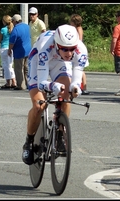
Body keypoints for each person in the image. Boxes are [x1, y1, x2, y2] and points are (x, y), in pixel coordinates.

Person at [22, 24, 89, 165]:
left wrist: (75, 87)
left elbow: (77, 75)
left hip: (60, 64)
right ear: (57, 44)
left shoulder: (81, 50)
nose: (69, 53)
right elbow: (41, 83)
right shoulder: (46, 46)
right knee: (39, 106)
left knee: (66, 95)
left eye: (72, 49)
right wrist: (52, 85)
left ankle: (59, 133)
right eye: (65, 49)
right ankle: (29, 141)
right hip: (39, 62)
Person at [8, 14, 31, 90]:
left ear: (14, 21)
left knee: (19, 69)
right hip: (28, 50)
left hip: (19, 52)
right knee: (26, 68)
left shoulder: (16, 29)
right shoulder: (27, 26)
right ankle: (29, 84)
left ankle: (20, 85)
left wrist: (9, 50)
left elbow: (12, 42)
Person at [69, 13, 90, 95]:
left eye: (71, 22)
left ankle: (84, 87)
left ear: (74, 22)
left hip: (79, 51)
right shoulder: (75, 29)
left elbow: (79, 40)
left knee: (80, 69)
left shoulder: (79, 29)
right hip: (76, 50)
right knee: (76, 69)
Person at [0, 15, 16, 88]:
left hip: (4, 48)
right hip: (11, 48)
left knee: (5, 66)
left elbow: (0, 39)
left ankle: (8, 82)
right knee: (10, 65)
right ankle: (14, 81)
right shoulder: (13, 29)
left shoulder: (3, 29)